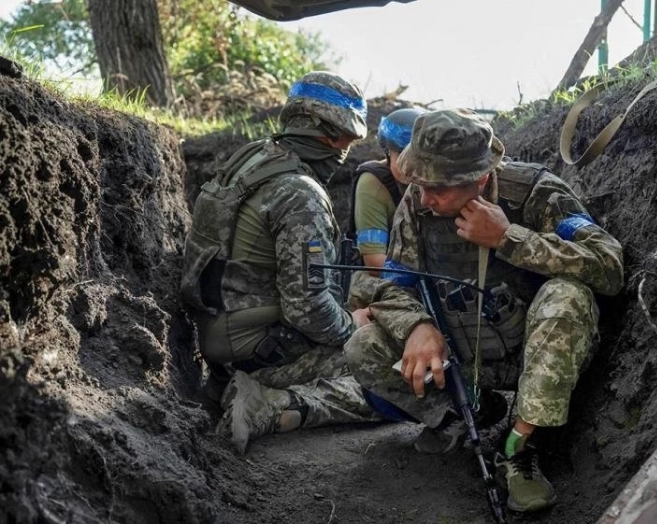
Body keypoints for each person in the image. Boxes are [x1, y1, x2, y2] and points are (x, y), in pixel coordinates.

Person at [343, 109, 624, 513]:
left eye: (437, 188)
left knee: (567, 295)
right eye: (419, 184)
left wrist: (509, 238)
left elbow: (609, 265)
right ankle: (463, 414)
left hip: (537, 353)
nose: (425, 198)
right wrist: (417, 326)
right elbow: (392, 285)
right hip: (465, 355)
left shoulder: (534, 191)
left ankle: (518, 448)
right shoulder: (419, 202)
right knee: (364, 344)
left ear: (478, 179)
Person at [180, 71, 380, 454]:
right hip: (260, 349)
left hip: (218, 333)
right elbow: (308, 310)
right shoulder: (300, 193)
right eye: (346, 139)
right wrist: (351, 328)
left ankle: (229, 383)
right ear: (325, 132)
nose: (346, 150)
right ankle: (270, 403)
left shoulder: (253, 159)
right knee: (399, 377)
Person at [344, 107, 427, 307]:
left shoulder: (433, 178)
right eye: (403, 157)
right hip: (389, 277)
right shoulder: (373, 184)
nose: (410, 167)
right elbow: (374, 263)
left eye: (417, 159)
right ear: (388, 152)